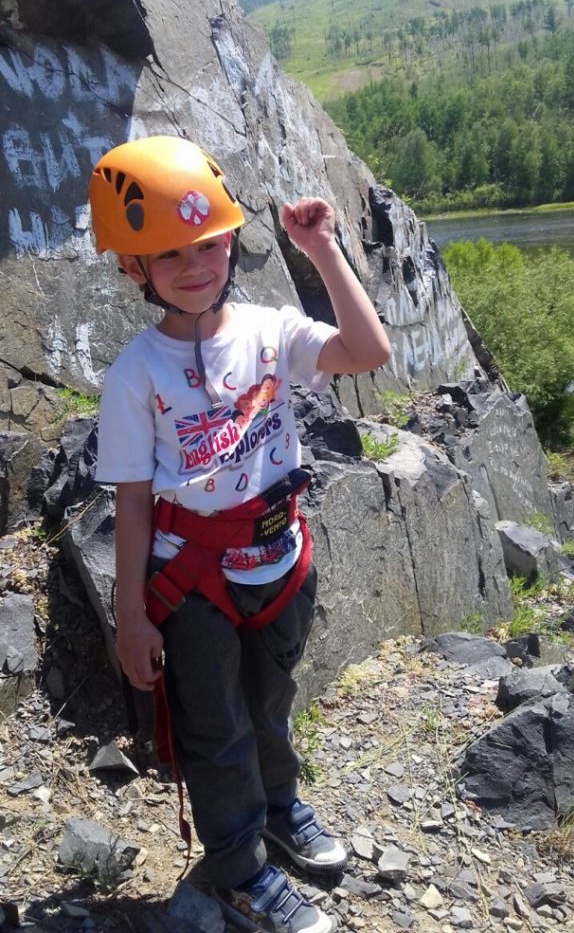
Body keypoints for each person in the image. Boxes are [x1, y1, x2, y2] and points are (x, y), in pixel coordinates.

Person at [91, 134, 390, 933]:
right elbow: (131, 502)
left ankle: (280, 808)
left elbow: (368, 350)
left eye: (210, 244)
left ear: (232, 242)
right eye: (170, 253)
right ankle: (238, 867)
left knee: (272, 702)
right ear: (134, 268)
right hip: (192, 583)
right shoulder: (135, 376)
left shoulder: (268, 330)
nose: (196, 265)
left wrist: (322, 249)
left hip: (281, 559)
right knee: (215, 728)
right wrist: (131, 617)